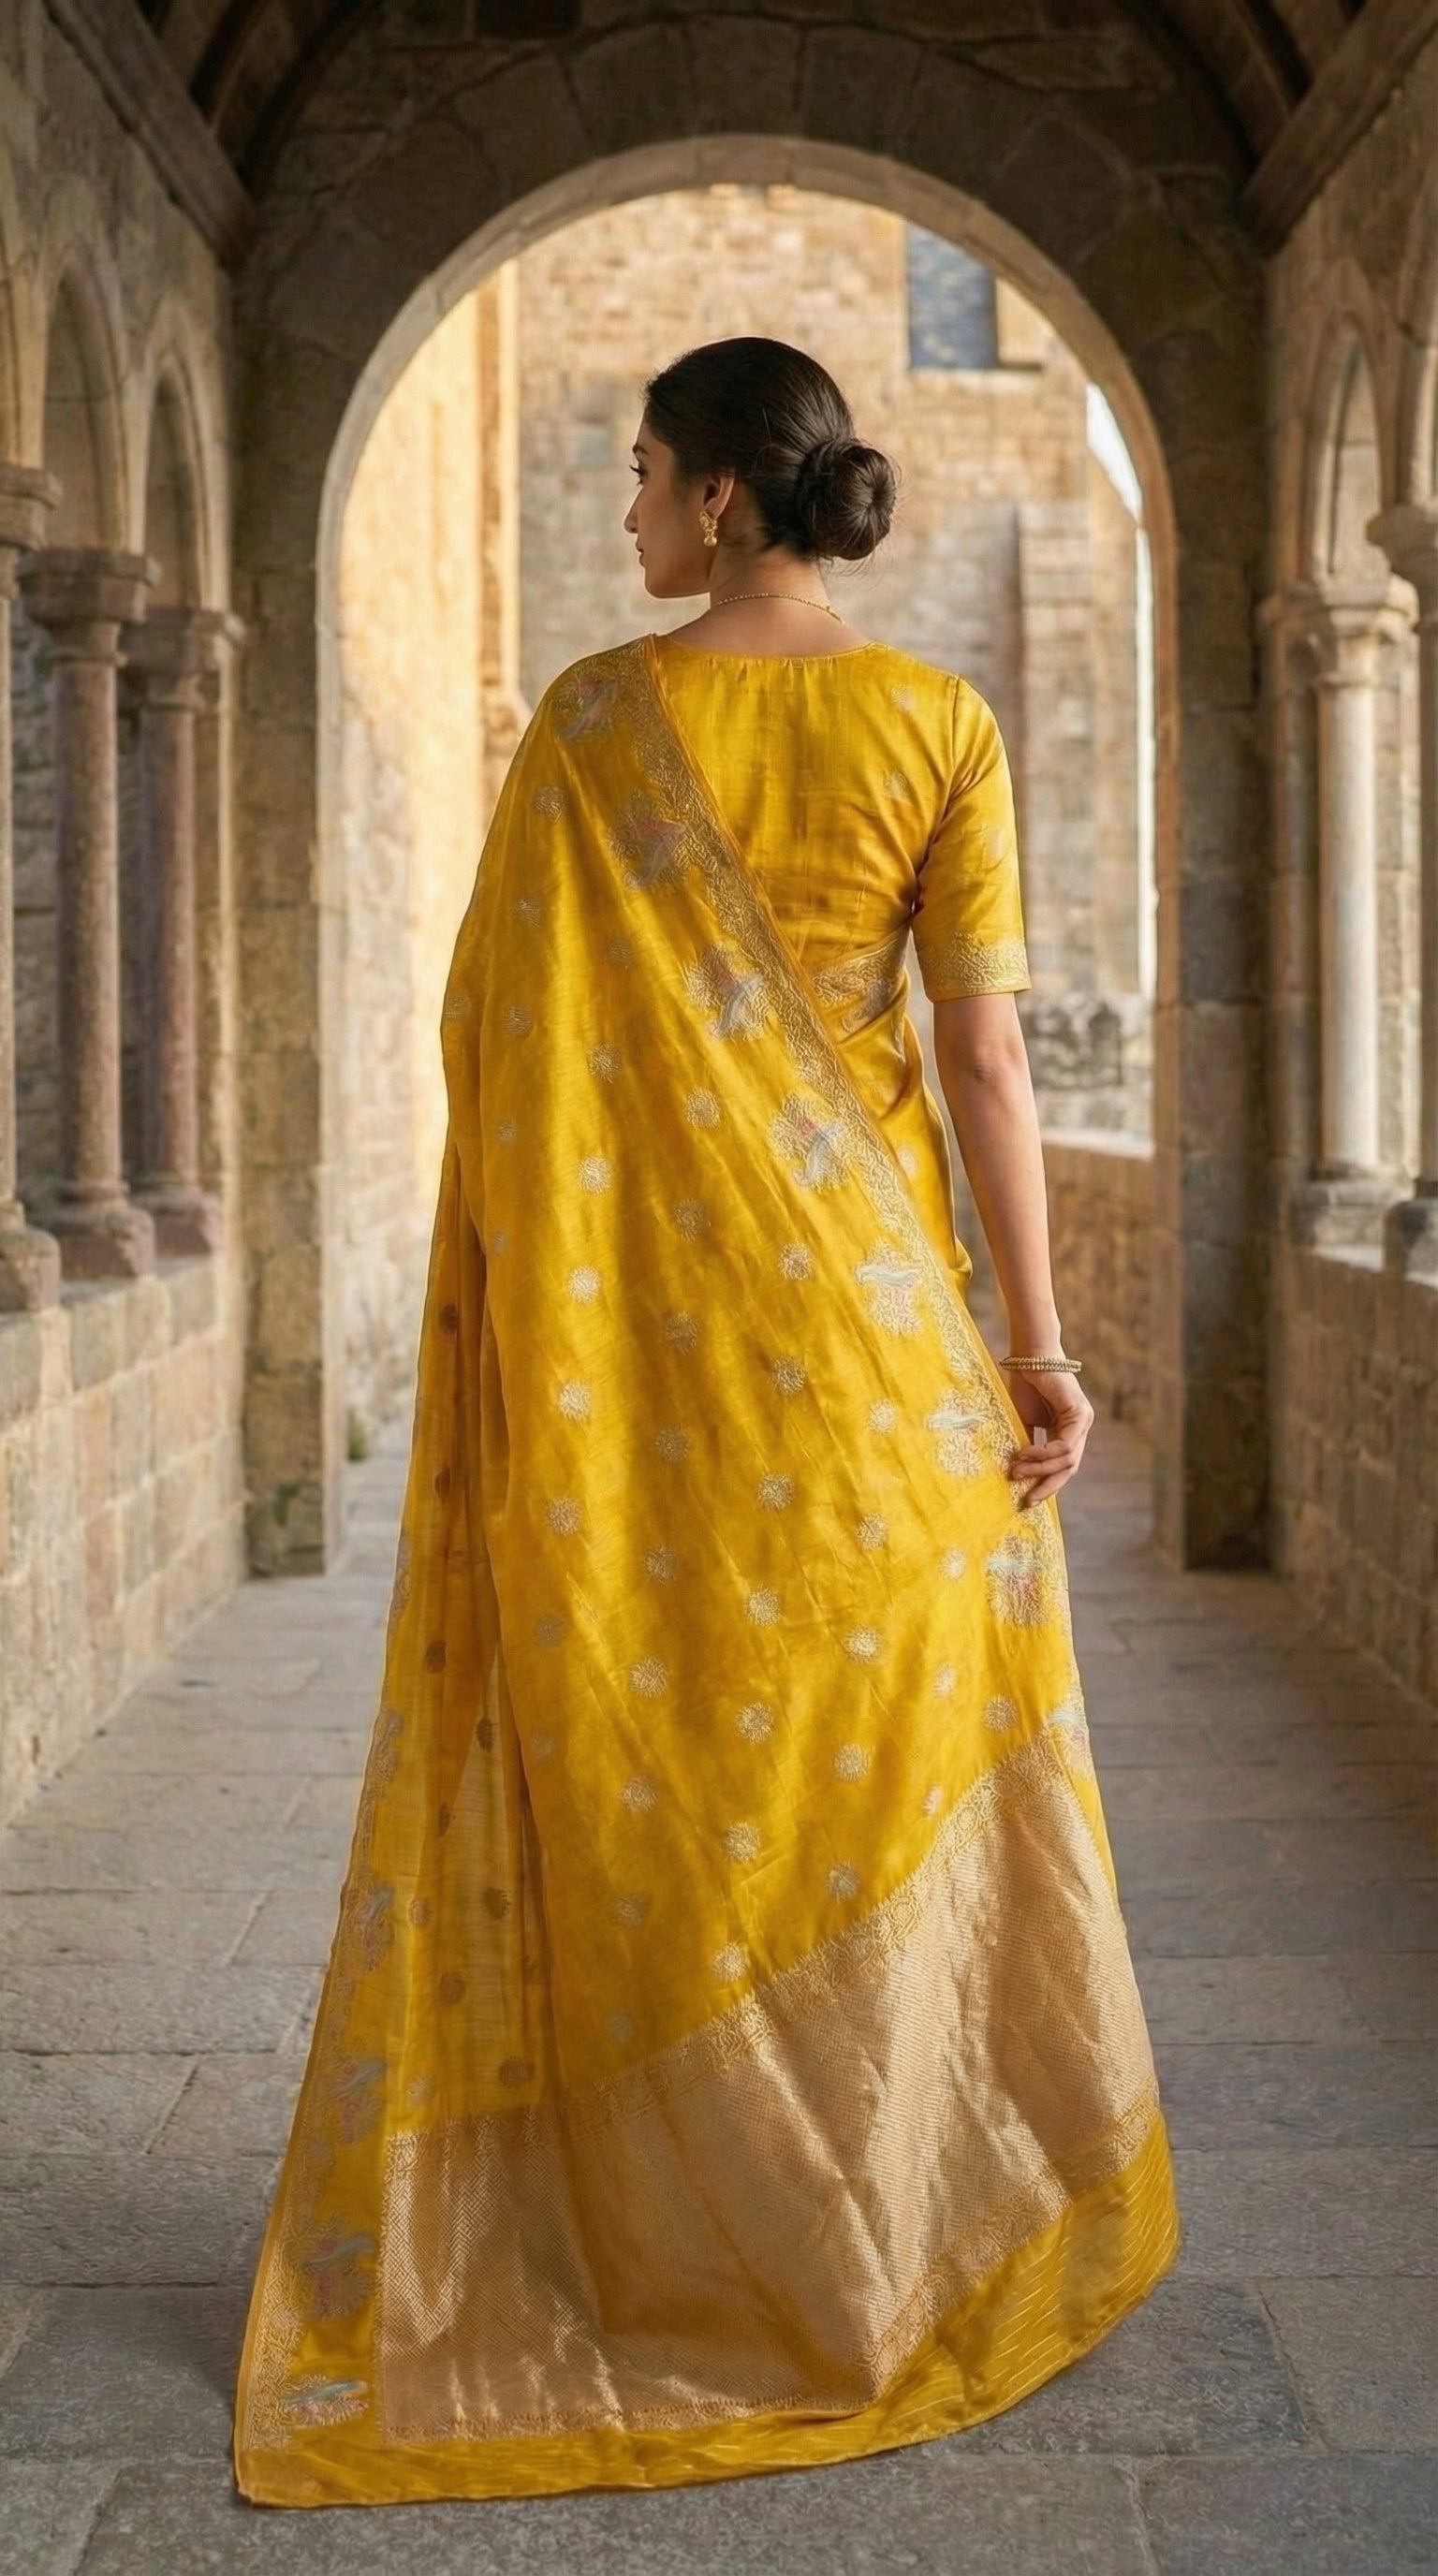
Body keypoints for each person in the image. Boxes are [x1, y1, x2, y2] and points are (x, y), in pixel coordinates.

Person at [234, 335, 1179, 2509]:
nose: (629, 513)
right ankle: (875, 2238)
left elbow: (508, 1053)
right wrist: (1035, 1343)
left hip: (643, 1392)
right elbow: (990, 1065)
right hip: (876, 1383)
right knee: (862, 1809)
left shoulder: (590, 728)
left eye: (649, 475)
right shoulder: (930, 721)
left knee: (667, 1799)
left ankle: (671, 2243)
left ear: (728, 502)